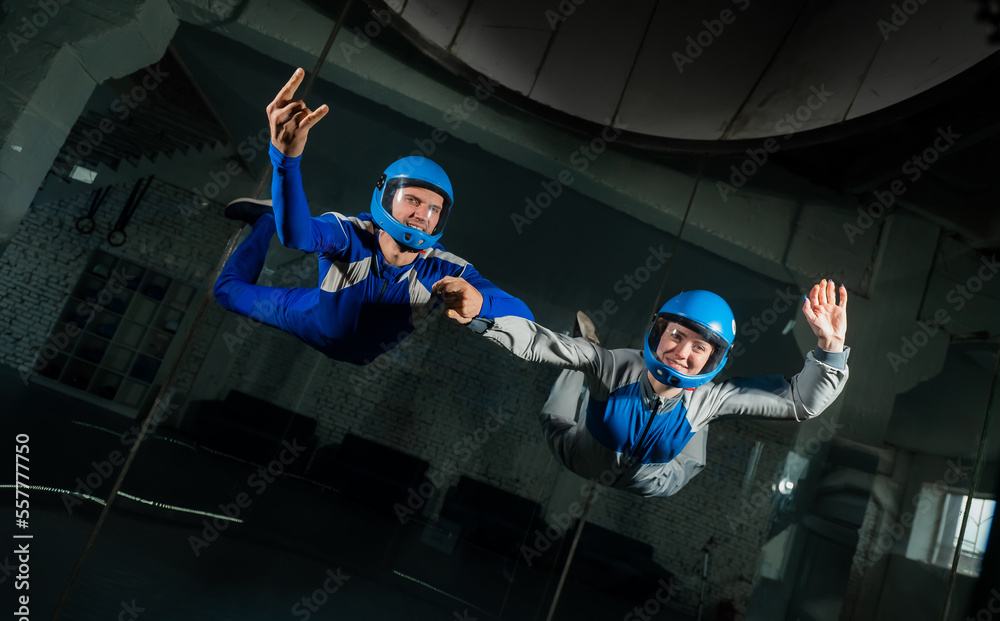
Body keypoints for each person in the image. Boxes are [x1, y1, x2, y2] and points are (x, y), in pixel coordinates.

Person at [213, 69, 532, 364]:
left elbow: (524, 316)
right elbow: (297, 236)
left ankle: (273, 214)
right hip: (312, 319)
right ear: (387, 197)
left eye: (435, 209)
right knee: (226, 291)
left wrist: (481, 302)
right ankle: (268, 220)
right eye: (413, 200)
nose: (424, 214)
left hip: (360, 353)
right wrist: (285, 160)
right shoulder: (350, 234)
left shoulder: (445, 269)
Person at [461, 281, 849, 497]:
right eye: (676, 336)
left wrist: (830, 348)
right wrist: (480, 313)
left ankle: (687, 405)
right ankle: (587, 346)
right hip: (580, 455)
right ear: (658, 331)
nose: (682, 352)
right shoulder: (617, 365)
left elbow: (801, 401)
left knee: (703, 409)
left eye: (699, 347)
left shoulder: (710, 394)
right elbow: (536, 341)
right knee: (565, 394)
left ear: (714, 357)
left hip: (659, 481)